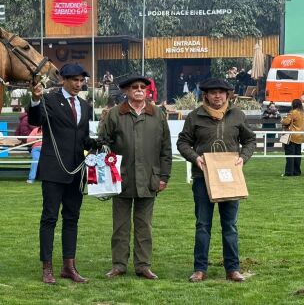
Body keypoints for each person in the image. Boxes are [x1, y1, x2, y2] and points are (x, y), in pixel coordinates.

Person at [176, 78, 256, 283]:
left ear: (228, 94)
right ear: (206, 95)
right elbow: (183, 142)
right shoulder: (195, 116)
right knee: (203, 224)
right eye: (213, 92)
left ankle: (233, 269)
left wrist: (242, 158)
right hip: (203, 179)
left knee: (230, 225)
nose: (217, 96)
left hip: (230, 179)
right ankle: (200, 269)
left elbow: (249, 140)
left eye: (221, 92)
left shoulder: (237, 115)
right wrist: (196, 158)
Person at [27, 62, 100, 285]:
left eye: (81, 81)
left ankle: (69, 266)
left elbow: (83, 138)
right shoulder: (49, 100)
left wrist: (99, 143)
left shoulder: (85, 106)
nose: (78, 85)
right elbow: (34, 120)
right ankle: (47, 267)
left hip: (77, 170)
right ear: (64, 81)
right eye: (74, 80)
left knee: (72, 218)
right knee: (49, 218)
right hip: (53, 169)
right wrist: (36, 99)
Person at [97, 75, 172, 281]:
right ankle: (119, 265)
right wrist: (105, 174)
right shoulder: (114, 114)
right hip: (120, 178)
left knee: (144, 225)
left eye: (142, 87)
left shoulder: (158, 114)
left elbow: (166, 149)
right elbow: (103, 143)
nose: (139, 90)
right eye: (134, 87)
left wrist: (163, 176)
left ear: (147, 91)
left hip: (149, 179)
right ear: (126, 91)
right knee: (120, 225)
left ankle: (143, 266)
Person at [281, 99, 304, 177]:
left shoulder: (293, 112)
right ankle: (297, 172)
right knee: (297, 155)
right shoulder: (302, 113)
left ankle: (289, 172)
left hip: (291, 136)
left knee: (290, 155)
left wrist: (283, 120)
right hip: (300, 136)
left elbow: (286, 122)